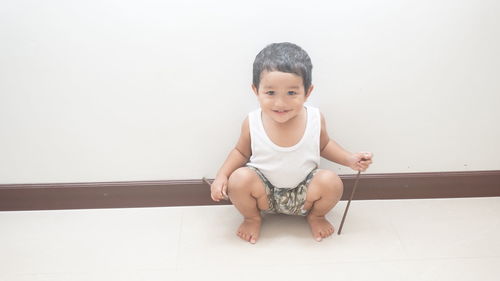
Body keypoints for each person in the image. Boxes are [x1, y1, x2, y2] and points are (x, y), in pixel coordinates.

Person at [210, 42, 373, 244]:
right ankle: (252, 218)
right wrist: (221, 176)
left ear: (308, 92)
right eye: (270, 93)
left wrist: (349, 159)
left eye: (291, 93)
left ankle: (317, 216)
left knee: (331, 182)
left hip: (304, 193)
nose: (280, 103)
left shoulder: (314, 118)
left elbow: (324, 146)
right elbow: (240, 153)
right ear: (256, 90)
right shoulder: (252, 121)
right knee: (239, 179)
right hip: (263, 193)